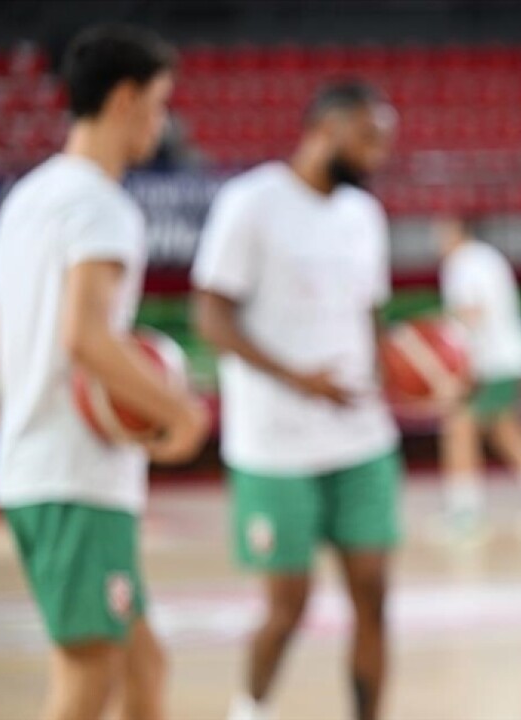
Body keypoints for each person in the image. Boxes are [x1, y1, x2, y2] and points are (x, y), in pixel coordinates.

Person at [0, 24, 209, 720]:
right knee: (89, 679)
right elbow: (87, 338)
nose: (162, 125)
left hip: (33, 466)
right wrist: (179, 410)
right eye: (159, 104)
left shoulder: (26, 198)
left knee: (144, 667)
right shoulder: (101, 205)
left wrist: (46, 403)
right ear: (124, 100)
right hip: (74, 479)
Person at [191, 81, 402, 720]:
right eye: (367, 139)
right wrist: (297, 379)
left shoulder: (364, 215)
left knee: (373, 596)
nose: (378, 155)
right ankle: (250, 709)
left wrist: (404, 373)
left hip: (361, 438)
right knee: (288, 605)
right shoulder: (250, 202)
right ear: (325, 131)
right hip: (274, 444)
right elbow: (211, 317)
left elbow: (370, 314)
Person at [432, 216, 521, 539]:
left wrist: (456, 363)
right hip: (509, 357)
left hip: (488, 363)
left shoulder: (462, 262)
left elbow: (472, 313)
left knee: (459, 429)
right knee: (506, 430)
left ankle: (465, 514)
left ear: (457, 231)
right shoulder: (487, 257)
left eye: (440, 231)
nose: (436, 239)